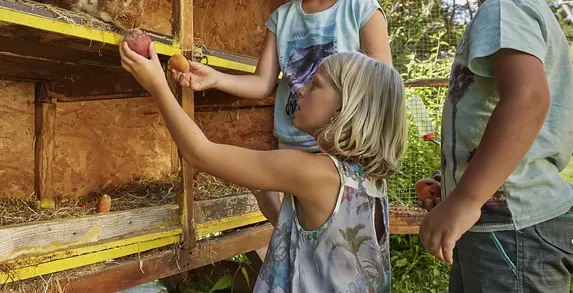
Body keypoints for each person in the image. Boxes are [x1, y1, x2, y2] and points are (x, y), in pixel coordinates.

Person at [119, 46, 407, 292]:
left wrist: (156, 83)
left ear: (344, 109)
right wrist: (270, 205)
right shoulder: (368, 180)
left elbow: (200, 153)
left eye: (317, 84)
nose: (301, 89)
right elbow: (323, 241)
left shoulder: (314, 171)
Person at [171, 0, 392, 223]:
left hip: (344, 146)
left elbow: (381, 85)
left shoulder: (361, 10)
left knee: (343, 230)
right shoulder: (283, 18)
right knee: (295, 228)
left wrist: (362, 145)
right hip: (293, 141)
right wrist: (215, 78)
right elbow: (263, 82)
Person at [417, 0, 573, 292]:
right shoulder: (511, 10)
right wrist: (458, 181)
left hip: (515, 230)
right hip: (503, 225)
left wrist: (466, 200)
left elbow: (527, 100)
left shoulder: (505, 7)